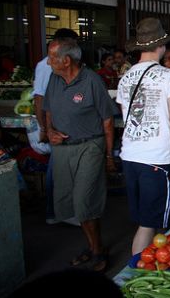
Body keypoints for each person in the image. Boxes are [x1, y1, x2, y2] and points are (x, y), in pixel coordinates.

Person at [116, 18, 170, 255]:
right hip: (156, 159)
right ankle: (134, 277)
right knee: (148, 224)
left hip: (130, 156)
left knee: (148, 219)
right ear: (162, 46)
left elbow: (126, 115)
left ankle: (155, 265)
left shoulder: (125, 78)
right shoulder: (169, 76)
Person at [44, 37, 116, 272]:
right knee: (70, 203)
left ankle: (97, 251)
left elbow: (107, 121)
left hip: (89, 146)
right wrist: (49, 131)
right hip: (62, 150)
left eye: (52, 57)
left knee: (84, 200)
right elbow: (47, 108)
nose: (48, 62)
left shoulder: (92, 81)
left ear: (67, 60)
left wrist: (108, 156)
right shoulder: (55, 79)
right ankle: (94, 246)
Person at [33, 28, 80, 226]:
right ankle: (55, 212)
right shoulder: (46, 65)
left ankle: (63, 210)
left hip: (62, 123)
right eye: (72, 43)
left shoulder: (63, 64)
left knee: (64, 168)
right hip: (54, 125)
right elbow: (40, 98)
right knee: (57, 168)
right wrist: (45, 128)